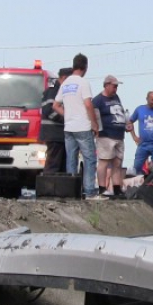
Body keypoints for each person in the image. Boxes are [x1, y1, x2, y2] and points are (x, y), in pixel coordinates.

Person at [52, 54, 106, 200]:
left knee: (71, 159)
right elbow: (88, 104)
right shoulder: (83, 83)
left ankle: (72, 192)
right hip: (82, 126)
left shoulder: (65, 83)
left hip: (68, 128)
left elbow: (55, 105)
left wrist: (67, 114)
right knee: (89, 159)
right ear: (85, 67)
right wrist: (94, 124)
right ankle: (89, 192)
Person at [92, 75, 127, 198]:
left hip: (119, 135)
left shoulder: (116, 97)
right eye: (114, 86)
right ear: (106, 85)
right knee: (104, 161)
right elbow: (94, 117)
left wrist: (126, 124)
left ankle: (117, 188)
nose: (116, 89)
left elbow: (121, 112)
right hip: (106, 135)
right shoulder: (98, 100)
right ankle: (102, 188)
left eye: (117, 87)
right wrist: (97, 130)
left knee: (117, 162)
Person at [40, 67, 73, 175]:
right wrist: (65, 119)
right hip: (54, 133)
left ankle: (58, 190)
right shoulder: (54, 90)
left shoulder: (59, 90)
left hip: (59, 134)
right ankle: (49, 188)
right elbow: (49, 110)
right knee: (53, 165)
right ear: (63, 78)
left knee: (61, 166)